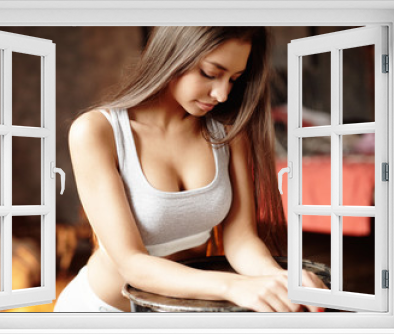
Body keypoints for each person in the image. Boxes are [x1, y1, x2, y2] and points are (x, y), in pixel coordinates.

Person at [54, 26, 327, 313]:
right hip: (104, 311)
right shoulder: (97, 131)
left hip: (180, 312)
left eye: (234, 79)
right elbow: (131, 263)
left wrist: (279, 278)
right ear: (173, 55)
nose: (222, 94)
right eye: (210, 73)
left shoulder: (226, 133)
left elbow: (241, 238)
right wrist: (232, 286)